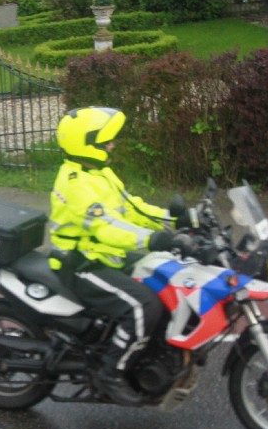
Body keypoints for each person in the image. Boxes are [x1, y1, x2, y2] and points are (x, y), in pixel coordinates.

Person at [48, 107, 182, 405]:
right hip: (80, 263)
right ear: (87, 143)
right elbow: (105, 226)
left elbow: (132, 208)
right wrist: (149, 239)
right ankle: (111, 373)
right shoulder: (75, 183)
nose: (112, 144)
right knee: (142, 305)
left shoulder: (99, 173)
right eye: (106, 140)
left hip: (106, 256)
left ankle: (150, 352)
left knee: (167, 276)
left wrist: (178, 220)